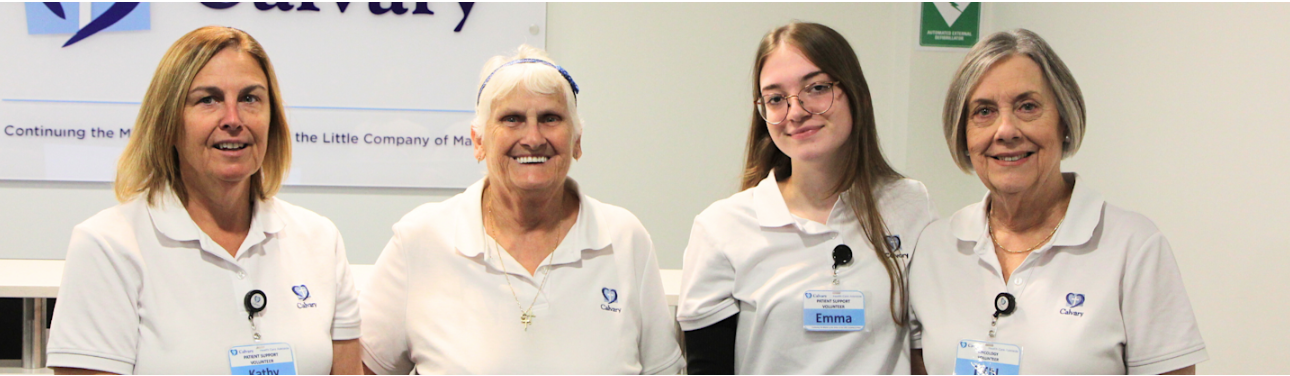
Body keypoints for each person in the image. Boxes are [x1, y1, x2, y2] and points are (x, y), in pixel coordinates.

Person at [45, 26, 361, 375]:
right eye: (207, 99)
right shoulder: (108, 245)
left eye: (250, 98)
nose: (233, 119)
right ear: (168, 122)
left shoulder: (319, 239)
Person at [358, 45, 684, 374]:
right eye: (511, 119)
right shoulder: (420, 240)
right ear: (478, 141)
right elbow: (364, 368)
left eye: (550, 118)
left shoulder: (624, 239)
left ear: (577, 140)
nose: (532, 137)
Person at [908, 28, 1207, 375]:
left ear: (1064, 120)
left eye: (1028, 106)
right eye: (984, 111)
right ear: (963, 133)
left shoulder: (1132, 246)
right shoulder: (935, 248)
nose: (1006, 130)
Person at [676, 22, 937, 374]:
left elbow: (923, 354)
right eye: (775, 99)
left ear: (857, 94)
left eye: (816, 88)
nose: (795, 112)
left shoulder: (909, 204)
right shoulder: (722, 227)